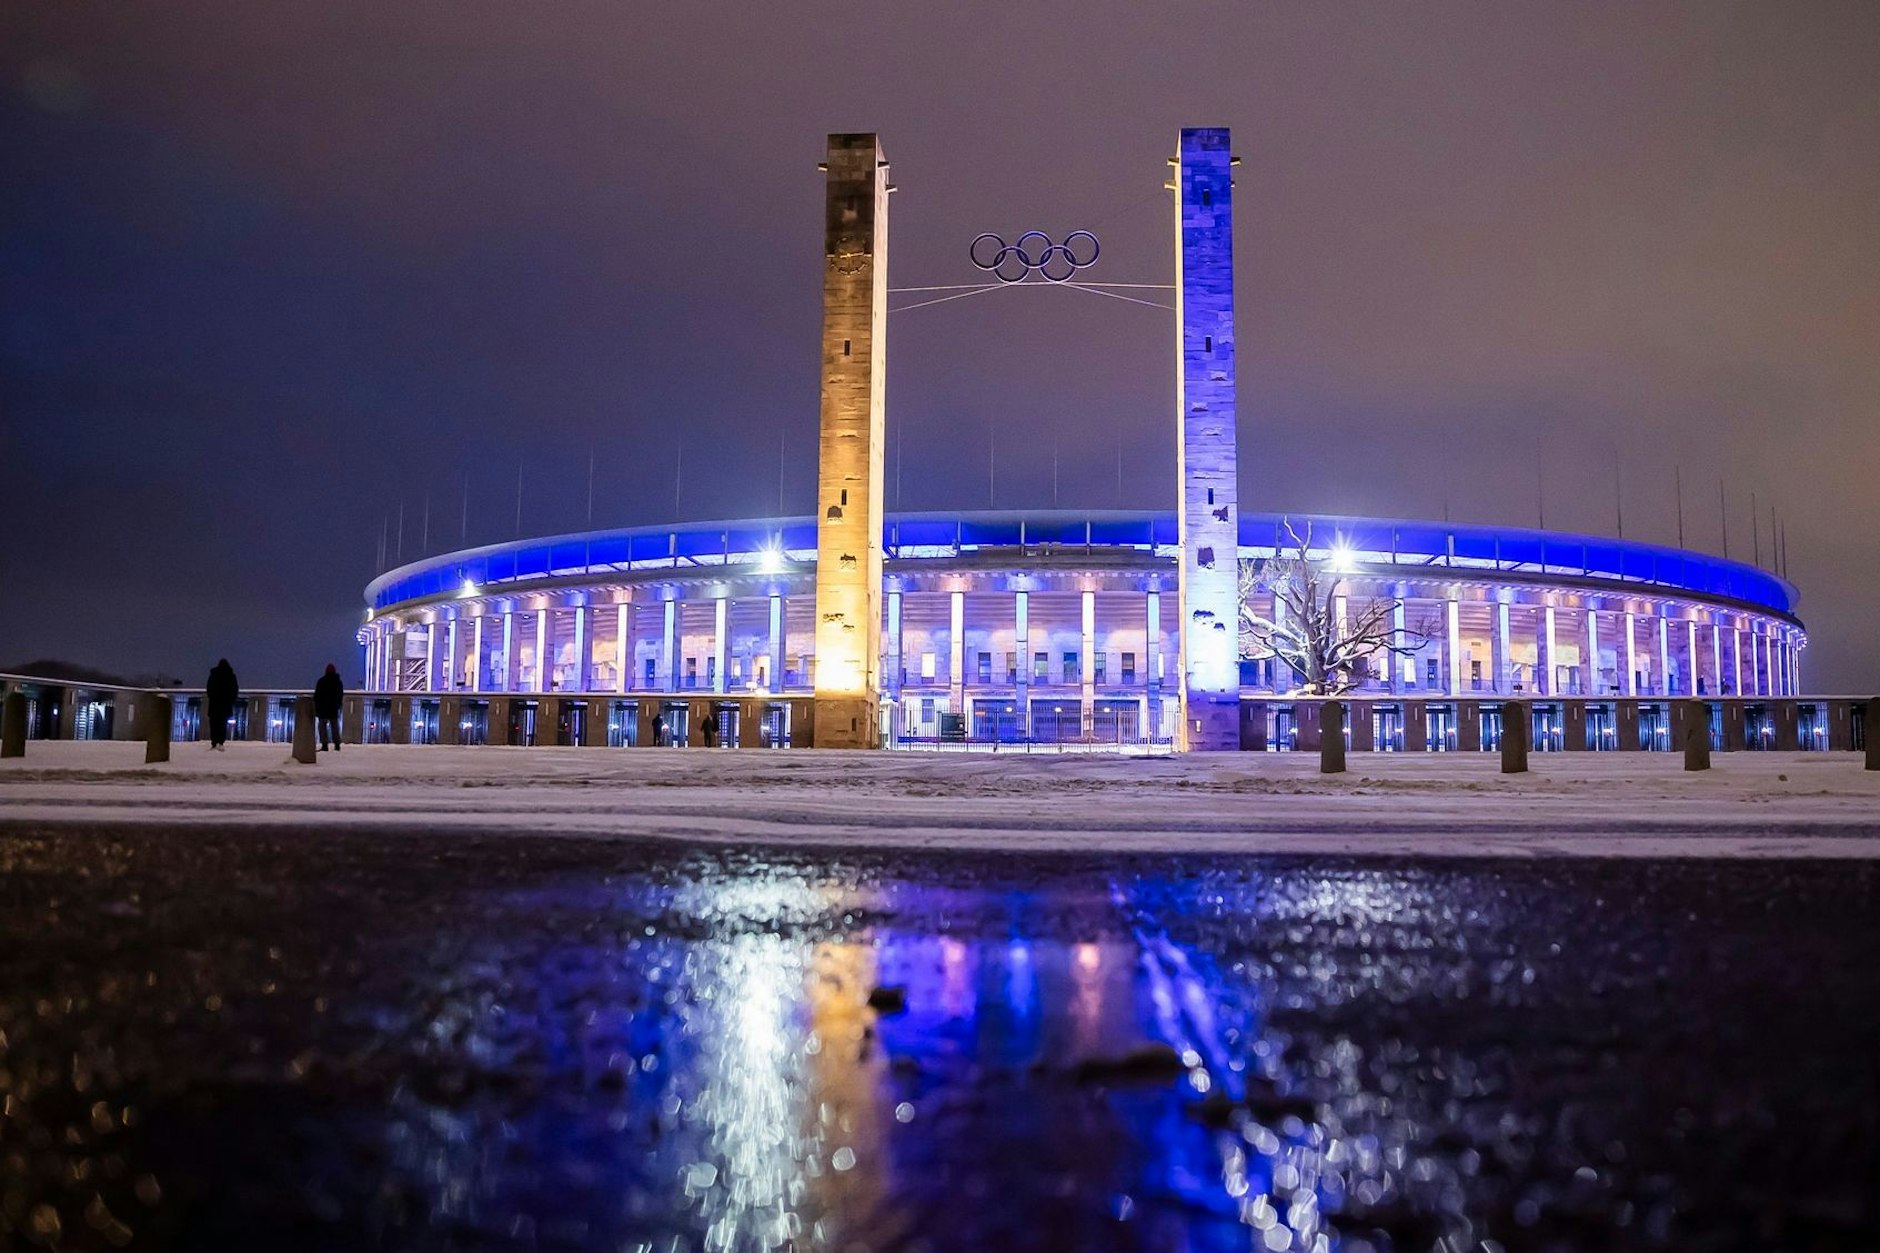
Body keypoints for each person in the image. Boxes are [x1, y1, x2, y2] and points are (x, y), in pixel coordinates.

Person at [205, 658, 239, 750]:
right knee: (222, 724)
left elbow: (209, 689)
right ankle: (221, 741)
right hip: (225, 705)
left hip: (214, 704)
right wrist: (231, 701)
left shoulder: (213, 675)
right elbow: (235, 690)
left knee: (214, 724)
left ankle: (214, 742)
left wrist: (213, 697)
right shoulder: (231, 676)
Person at [314, 663, 344, 752]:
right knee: (335, 727)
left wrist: (317, 708)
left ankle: (324, 745)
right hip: (333, 708)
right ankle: (337, 745)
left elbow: (317, 696)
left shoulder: (321, 681)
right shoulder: (338, 682)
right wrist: (338, 705)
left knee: (322, 727)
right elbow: (340, 695)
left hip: (323, 709)